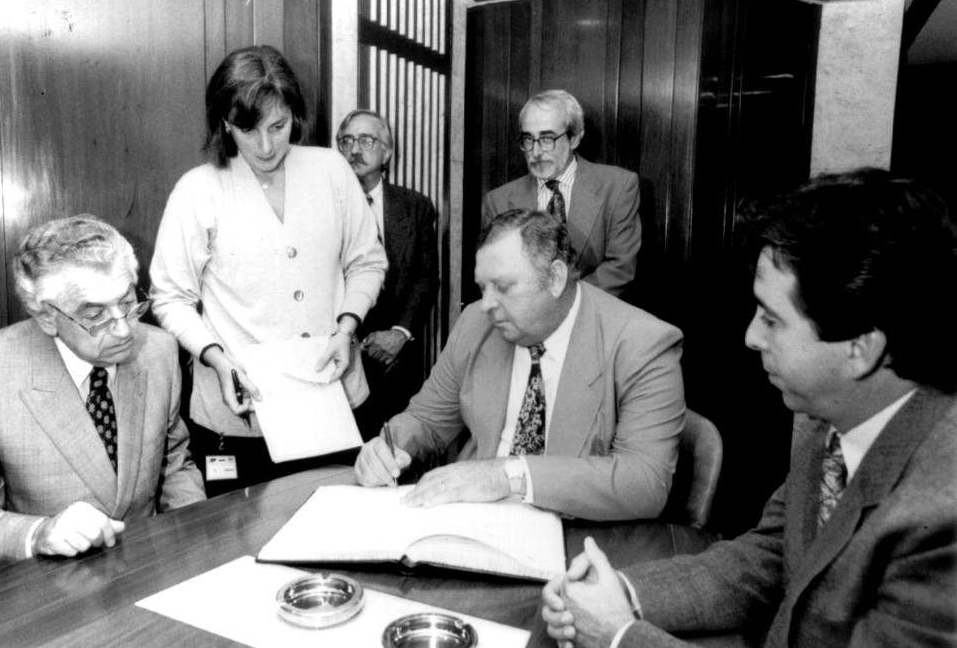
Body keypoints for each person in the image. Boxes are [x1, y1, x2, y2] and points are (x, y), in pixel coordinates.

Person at [542, 169, 957, 647]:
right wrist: (622, 592)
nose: (751, 337)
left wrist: (620, 636)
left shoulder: (941, 515)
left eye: (773, 320)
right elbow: (768, 558)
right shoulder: (841, 417)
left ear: (861, 348)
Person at [150, 46, 387, 495]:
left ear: (295, 116)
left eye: (278, 127)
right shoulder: (198, 189)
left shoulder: (332, 170)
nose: (265, 146)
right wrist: (217, 360)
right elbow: (169, 296)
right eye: (247, 129)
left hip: (335, 400)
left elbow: (366, 261)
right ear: (224, 122)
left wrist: (346, 326)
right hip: (240, 416)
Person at [355, 209, 684, 521]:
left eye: (503, 286)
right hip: (472, 523)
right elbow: (427, 419)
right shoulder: (475, 324)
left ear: (555, 278)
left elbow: (646, 483)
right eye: (483, 287)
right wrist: (387, 448)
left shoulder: (642, 343)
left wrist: (509, 475)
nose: (486, 304)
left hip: (579, 535)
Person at [0, 215, 205, 574]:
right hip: (40, 591)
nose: (124, 330)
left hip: (149, 570)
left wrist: (198, 535)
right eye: (95, 315)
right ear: (46, 316)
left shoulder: (159, 350)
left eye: (127, 302)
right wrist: (39, 534)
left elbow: (174, 463)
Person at [335, 109, 440, 441]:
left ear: (387, 152)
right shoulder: (323, 204)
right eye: (347, 141)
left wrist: (400, 333)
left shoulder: (415, 207)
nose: (355, 149)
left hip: (397, 362)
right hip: (339, 358)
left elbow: (426, 278)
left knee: (395, 454)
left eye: (367, 140)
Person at [482, 90, 641, 298]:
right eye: (528, 139)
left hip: (593, 314)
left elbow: (621, 268)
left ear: (574, 138)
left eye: (547, 138)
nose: (536, 152)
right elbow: (494, 272)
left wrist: (564, 304)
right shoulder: (498, 201)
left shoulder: (618, 186)